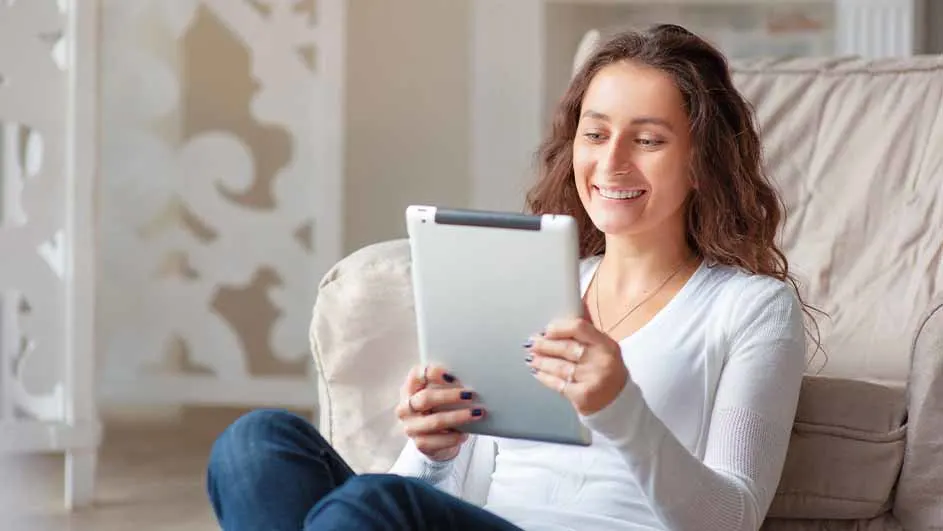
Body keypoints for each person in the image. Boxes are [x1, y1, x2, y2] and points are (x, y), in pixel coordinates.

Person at [206, 24, 819, 531]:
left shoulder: (751, 308)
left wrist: (618, 407)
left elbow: (735, 518)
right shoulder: (534, 281)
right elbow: (444, 490)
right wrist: (432, 449)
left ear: (701, 162)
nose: (612, 162)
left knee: (371, 507)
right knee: (255, 445)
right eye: (596, 134)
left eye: (649, 140)